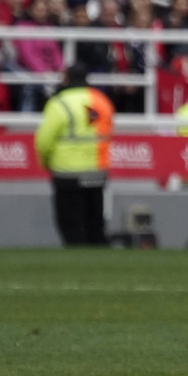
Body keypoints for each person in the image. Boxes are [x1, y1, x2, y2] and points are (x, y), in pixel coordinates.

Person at [34, 63, 114, 246]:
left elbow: (44, 140)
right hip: (97, 173)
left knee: (71, 228)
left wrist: (46, 163)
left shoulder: (59, 103)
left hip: (66, 173)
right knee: (95, 227)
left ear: (66, 79)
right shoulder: (102, 101)